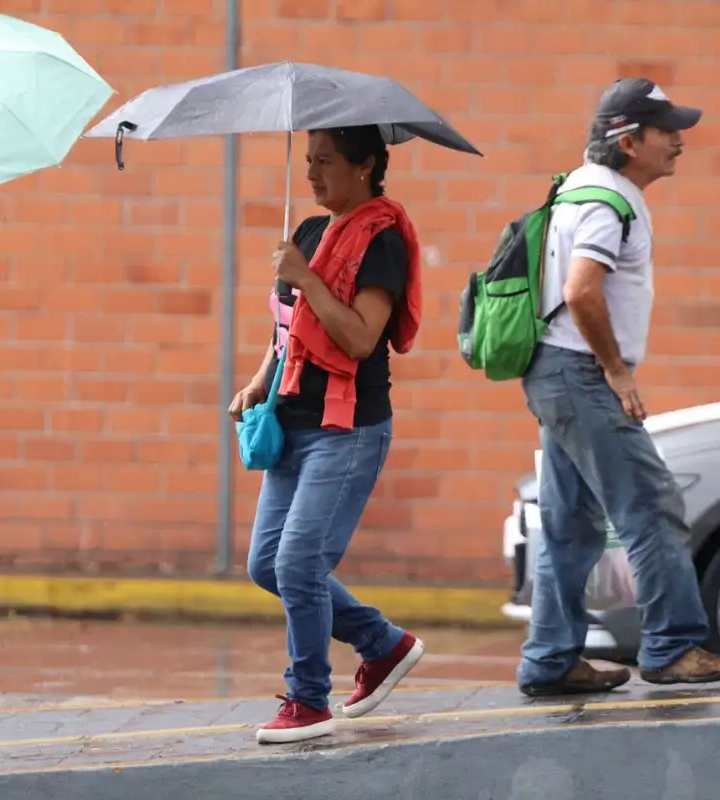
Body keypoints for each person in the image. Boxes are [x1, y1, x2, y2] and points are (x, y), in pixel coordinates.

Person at [517, 78, 720, 696]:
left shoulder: (578, 188)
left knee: (571, 526)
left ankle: (550, 659)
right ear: (628, 139)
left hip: (554, 370)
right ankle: (672, 646)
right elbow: (581, 290)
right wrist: (617, 370)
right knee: (651, 507)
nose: (677, 142)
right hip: (581, 373)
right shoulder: (607, 202)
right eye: (666, 130)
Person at [230, 125, 426, 744]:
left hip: (347, 430)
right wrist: (261, 380)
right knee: (267, 563)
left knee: (300, 562)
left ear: (365, 166)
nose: (312, 175)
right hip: (293, 419)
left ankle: (307, 699)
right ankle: (381, 643)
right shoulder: (313, 232)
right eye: (308, 162)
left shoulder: (382, 239)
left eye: (326, 163)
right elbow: (287, 329)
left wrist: (307, 277)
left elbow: (362, 337)